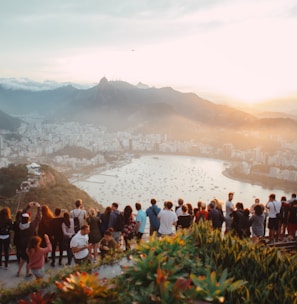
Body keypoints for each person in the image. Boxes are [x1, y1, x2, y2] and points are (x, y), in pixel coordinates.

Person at [17, 202, 42, 277]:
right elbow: (38, 219)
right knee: (29, 258)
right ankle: (27, 272)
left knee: (22, 257)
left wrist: (27, 207)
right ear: (28, 218)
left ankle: (19, 271)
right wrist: (38, 208)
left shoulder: (19, 224)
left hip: (22, 243)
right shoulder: (31, 226)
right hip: (29, 243)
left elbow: (20, 215)